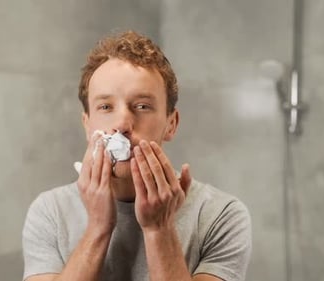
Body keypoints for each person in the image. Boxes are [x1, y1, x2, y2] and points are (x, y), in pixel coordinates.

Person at [22, 30, 252, 281]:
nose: (122, 124)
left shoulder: (221, 215)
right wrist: (98, 227)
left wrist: (159, 229)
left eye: (142, 106)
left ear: (171, 124)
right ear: (87, 125)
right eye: (106, 107)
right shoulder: (49, 212)